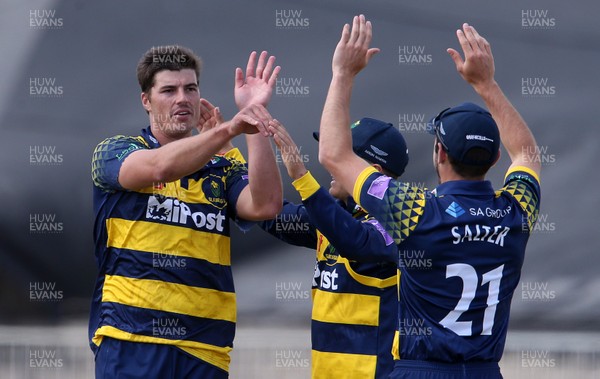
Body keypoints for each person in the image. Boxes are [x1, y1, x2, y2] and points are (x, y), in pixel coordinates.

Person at [318, 15, 541, 379]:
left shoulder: (416, 209)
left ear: (439, 153)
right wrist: (487, 84)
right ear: (496, 158)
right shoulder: (515, 212)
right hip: (486, 371)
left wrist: (343, 74)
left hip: (421, 370)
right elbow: (528, 154)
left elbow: (334, 155)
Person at [89, 45, 283, 378]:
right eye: (169, 90)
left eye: (190, 89)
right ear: (146, 101)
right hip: (132, 340)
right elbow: (160, 167)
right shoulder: (115, 151)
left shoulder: (220, 167)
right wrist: (229, 129)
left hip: (205, 347)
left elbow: (265, 204)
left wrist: (255, 120)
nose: (183, 98)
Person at [259, 117, 408, 378]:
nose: (328, 163)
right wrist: (231, 149)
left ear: (370, 171)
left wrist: (302, 178)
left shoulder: (397, 220)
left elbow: (356, 241)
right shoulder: (335, 214)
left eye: (340, 157)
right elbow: (268, 213)